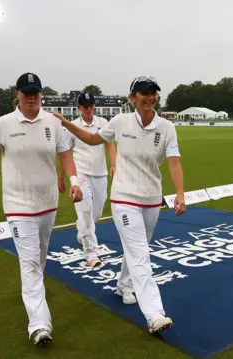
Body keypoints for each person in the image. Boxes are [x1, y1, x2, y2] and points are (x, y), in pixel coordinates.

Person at [52, 76, 186, 334]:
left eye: (153, 93)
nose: (149, 97)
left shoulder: (167, 127)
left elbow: (174, 162)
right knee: (140, 254)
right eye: (143, 93)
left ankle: (124, 285)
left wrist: (180, 193)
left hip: (151, 198)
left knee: (138, 249)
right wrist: (67, 124)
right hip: (124, 197)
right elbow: (93, 140)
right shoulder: (120, 121)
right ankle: (154, 314)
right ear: (132, 97)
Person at [0, 72, 82, 347]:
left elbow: (65, 155)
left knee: (39, 258)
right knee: (28, 262)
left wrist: (74, 182)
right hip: (18, 204)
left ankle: (33, 292)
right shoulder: (4, 124)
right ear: (17, 94)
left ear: (41, 95)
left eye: (35, 93)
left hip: (47, 202)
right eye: (26, 93)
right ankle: (39, 324)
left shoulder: (53, 122)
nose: (31, 98)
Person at [57, 92, 116, 268]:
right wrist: (61, 178)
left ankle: (81, 229)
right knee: (86, 213)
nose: (89, 109)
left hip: (100, 174)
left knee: (95, 215)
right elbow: (65, 154)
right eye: (85, 106)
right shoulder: (72, 126)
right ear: (79, 108)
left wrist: (114, 164)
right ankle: (91, 253)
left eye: (91, 106)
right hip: (80, 173)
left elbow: (110, 145)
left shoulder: (103, 123)